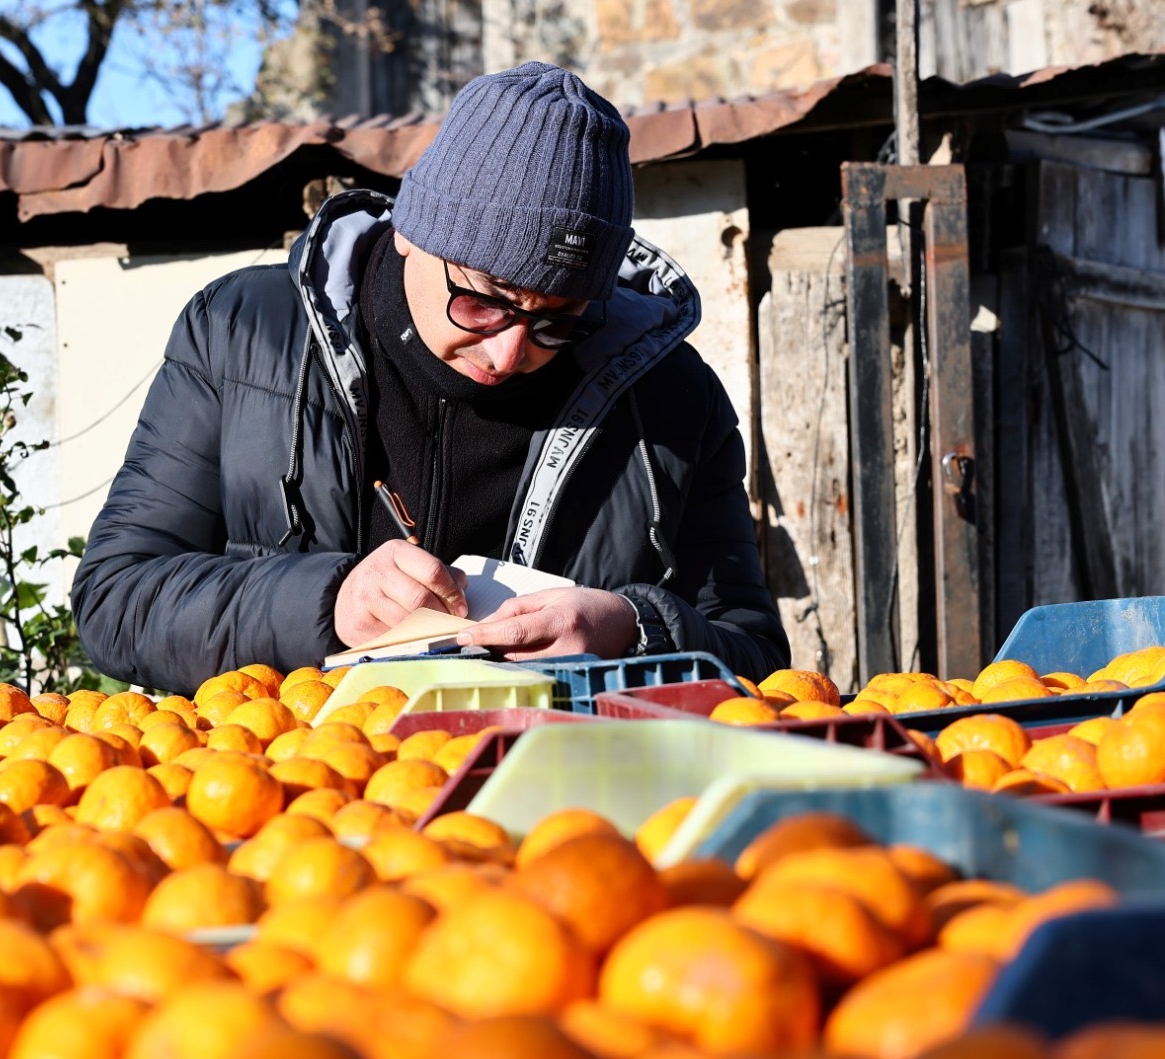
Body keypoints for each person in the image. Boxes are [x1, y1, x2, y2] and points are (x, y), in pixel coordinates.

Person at [71, 61, 790, 695]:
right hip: (288, 802)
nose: (509, 355)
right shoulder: (243, 332)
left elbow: (755, 655)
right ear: (413, 229)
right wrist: (326, 603)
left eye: (558, 322)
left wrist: (635, 632)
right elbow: (115, 602)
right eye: (482, 301)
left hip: (552, 808)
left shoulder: (668, 394)